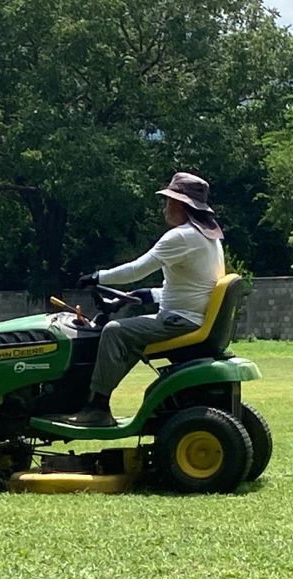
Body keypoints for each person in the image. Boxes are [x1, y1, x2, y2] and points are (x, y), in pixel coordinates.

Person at [57, 172, 225, 428]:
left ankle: (97, 408)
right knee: (129, 334)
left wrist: (96, 277)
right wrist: (142, 296)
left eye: (168, 202)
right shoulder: (208, 238)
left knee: (114, 332)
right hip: (187, 316)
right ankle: (94, 398)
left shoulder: (181, 236)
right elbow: (188, 287)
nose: (165, 208)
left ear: (180, 204)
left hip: (180, 321)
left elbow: (136, 269)